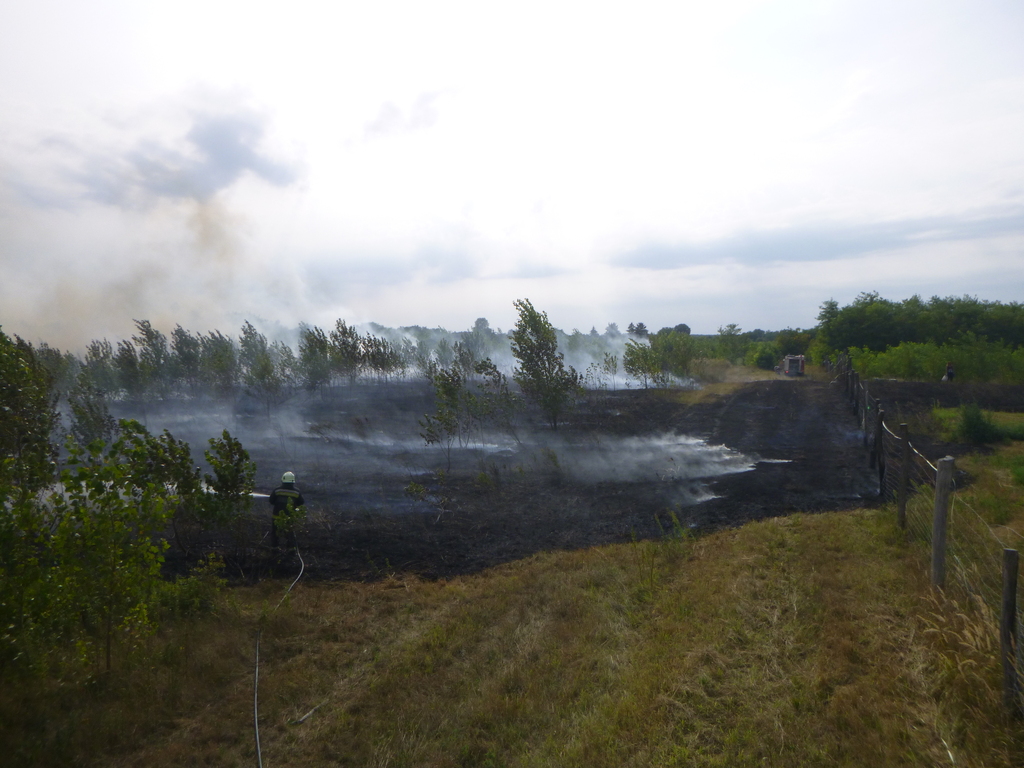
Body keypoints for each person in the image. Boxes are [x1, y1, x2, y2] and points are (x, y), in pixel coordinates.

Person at [269, 471, 305, 549]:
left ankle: (274, 548)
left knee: (275, 533)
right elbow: (301, 502)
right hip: (289, 517)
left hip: (276, 516)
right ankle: (291, 549)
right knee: (290, 533)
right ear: (293, 481)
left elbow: (271, 501)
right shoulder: (296, 492)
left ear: (283, 480)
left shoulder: (277, 490)